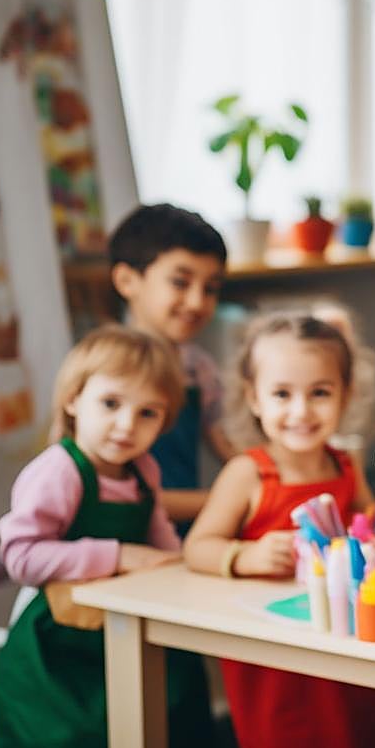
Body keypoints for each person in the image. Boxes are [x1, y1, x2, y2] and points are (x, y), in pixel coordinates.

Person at [0, 325, 213, 748]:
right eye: (111, 404)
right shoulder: (60, 470)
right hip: (60, 649)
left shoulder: (142, 470)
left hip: (125, 629)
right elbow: (20, 557)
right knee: (74, 746)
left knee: (176, 713)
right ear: (74, 399)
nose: (127, 425)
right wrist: (117, 555)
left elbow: (161, 543)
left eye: (148, 413)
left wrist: (185, 572)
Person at [183, 309, 375, 748]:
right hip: (276, 658)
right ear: (254, 399)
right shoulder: (249, 473)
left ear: (345, 394)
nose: (301, 411)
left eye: (319, 393)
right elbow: (198, 546)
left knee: (358, 739)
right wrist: (244, 555)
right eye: (281, 394)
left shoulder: (345, 465)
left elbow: (368, 523)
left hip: (344, 639)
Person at [109, 202, 234, 525]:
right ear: (127, 281)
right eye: (180, 282)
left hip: (183, 534)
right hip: (120, 534)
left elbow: (230, 449)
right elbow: (107, 493)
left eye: (210, 289)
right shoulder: (103, 368)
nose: (197, 302)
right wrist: (229, 500)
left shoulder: (198, 368)